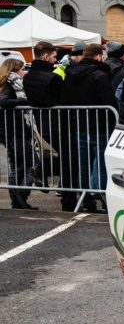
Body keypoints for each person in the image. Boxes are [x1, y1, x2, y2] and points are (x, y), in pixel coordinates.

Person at [60, 44, 117, 213]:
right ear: (98, 56)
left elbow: (66, 98)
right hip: (100, 125)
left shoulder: (70, 74)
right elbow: (109, 101)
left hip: (80, 124)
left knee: (84, 165)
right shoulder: (100, 75)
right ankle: (105, 201)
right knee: (102, 164)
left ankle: (86, 200)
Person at [23, 42, 74, 209]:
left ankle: (42, 170)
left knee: (65, 157)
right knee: (69, 159)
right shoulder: (52, 77)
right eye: (53, 56)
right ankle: (67, 198)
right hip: (59, 123)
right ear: (45, 56)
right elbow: (64, 99)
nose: (55, 60)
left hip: (43, 124)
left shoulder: (28, 77)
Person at [0, 57, 34, 209]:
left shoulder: (10, 83)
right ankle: (19, 196)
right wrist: (27, 101)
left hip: (14, 130)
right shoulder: (10, 84)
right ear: (14, 71)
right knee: (27, 164)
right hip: (14, 131)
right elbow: (4, 101)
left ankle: (19, 199)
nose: (24, 72)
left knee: (20, 165)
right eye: (22, 69)